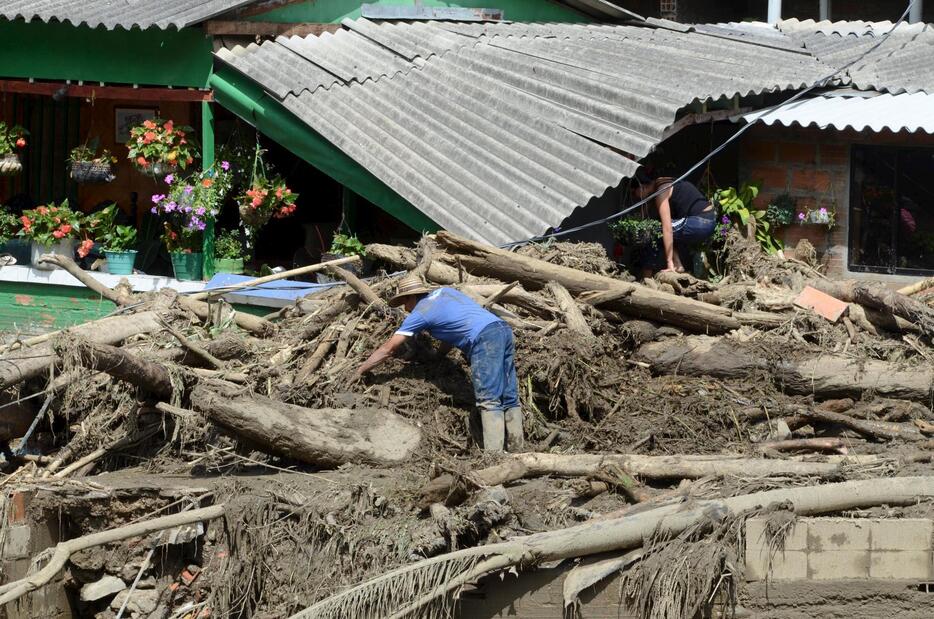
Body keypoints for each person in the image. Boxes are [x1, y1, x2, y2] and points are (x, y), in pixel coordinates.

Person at [354, 273, 524, 453]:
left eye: (405, 302)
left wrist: (361, 369)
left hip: (484, 340)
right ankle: (517, 452)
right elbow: (453, 330)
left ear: (411, 297)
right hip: (502, 329)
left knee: (489, 399)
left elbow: (388, 349)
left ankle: (494, 460)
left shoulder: (420, 313)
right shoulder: (446, 292)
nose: (405, 308)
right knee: (509, 396)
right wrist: (438, 355)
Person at [632, 167, 716, 274]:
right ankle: (678, 265)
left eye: (634, 193)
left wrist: (668, 263)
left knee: (653, 231)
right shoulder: (665, 182)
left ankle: (648, 275)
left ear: (642, 187)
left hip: (700, 221)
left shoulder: (661, 192)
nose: (635, 197)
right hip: (707, 220)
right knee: (669, 231)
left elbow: (667, 229)